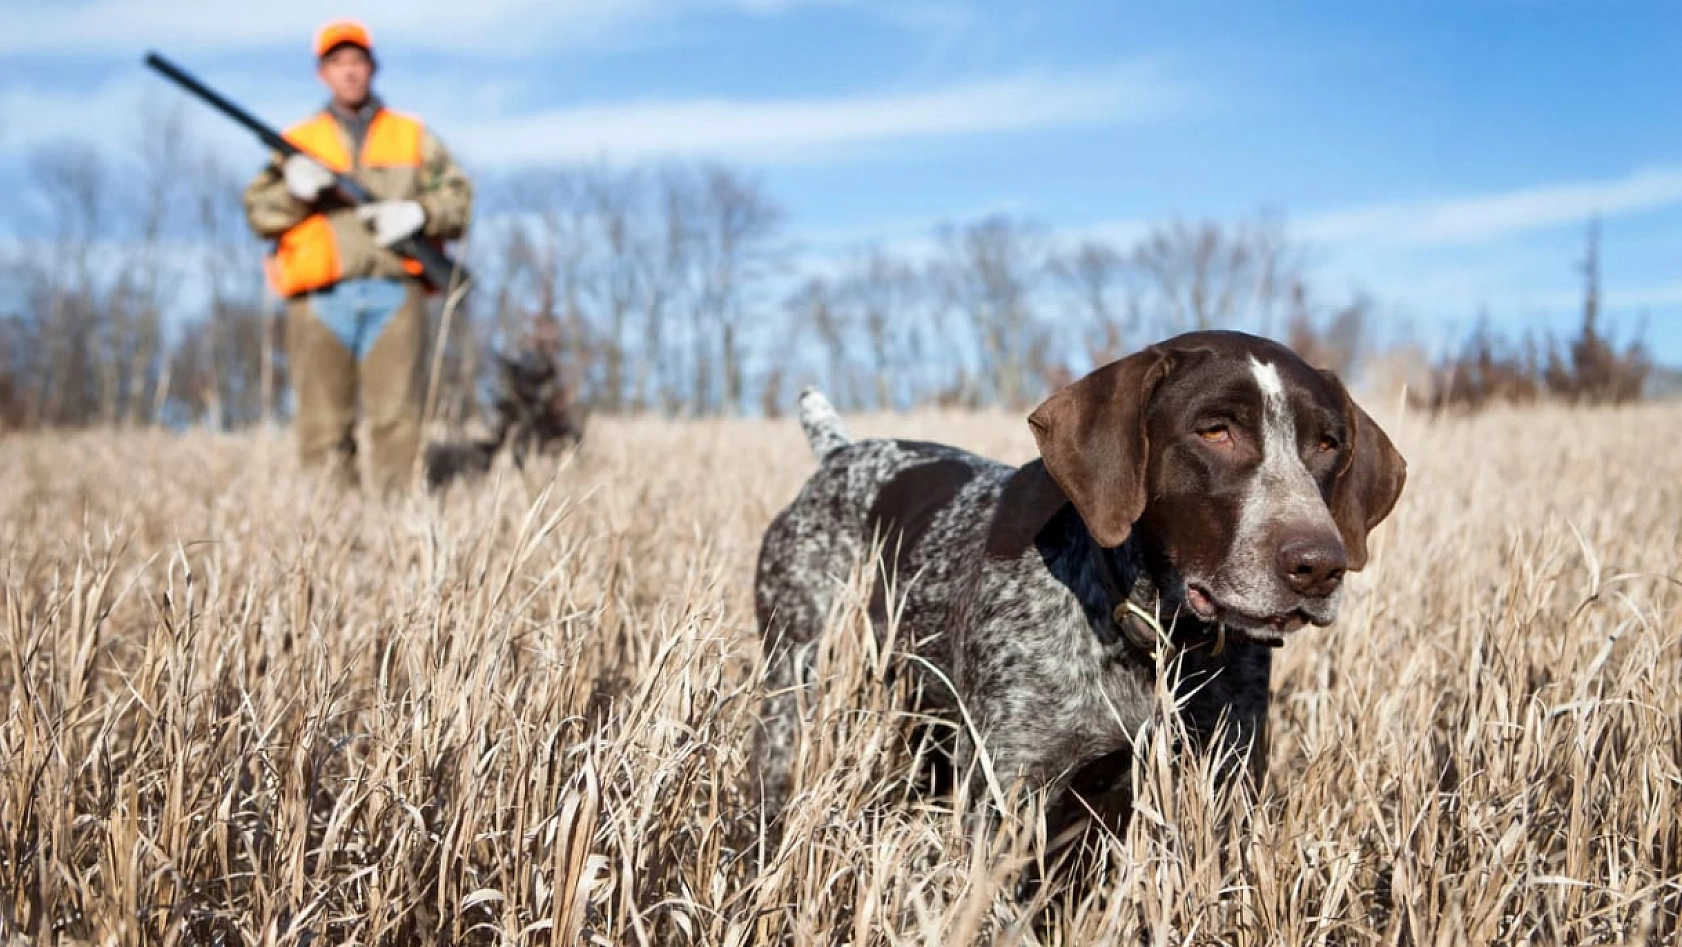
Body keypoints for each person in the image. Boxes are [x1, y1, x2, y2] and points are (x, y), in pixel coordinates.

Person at [243, 18, 473, 494]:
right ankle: (331, 542)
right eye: (337, 63)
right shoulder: (297, 142)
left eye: (357, 61)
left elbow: (459, 200)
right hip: (319, 299)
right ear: (321, 74)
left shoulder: (412, 135)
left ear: (372, 68)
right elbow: (258, 212)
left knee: (399, 424)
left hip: (395, 293)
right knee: (322, 429)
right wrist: (294, 193)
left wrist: (419, 213)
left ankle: (398, 534)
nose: (349, 72)